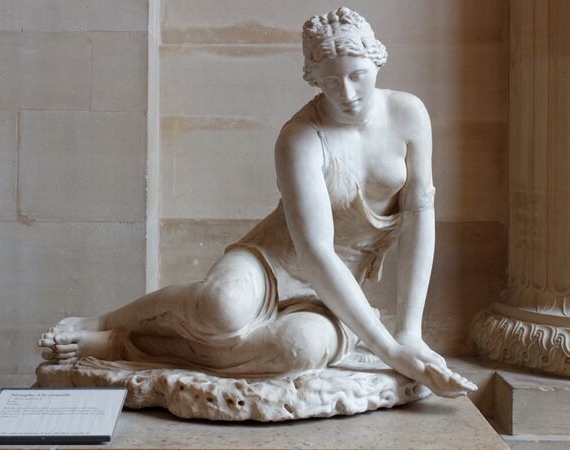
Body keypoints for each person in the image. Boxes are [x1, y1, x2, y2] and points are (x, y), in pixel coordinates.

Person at [38, 7, 475, 397]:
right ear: (314, 79)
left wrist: (409, 335)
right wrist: (389, 350)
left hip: (332, 293)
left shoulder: (408, 115)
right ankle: (109, 323)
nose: (347, 92)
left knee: (299, 349)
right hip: (272, 261)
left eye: (357, 74)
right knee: (221, 306)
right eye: (330, 81)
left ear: (376, 60)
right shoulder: (300, 138)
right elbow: (315, 250)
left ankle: (126, 347)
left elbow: (419, 217)